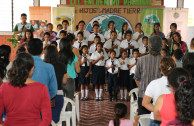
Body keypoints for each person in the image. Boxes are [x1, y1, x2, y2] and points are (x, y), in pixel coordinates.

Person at [0, 53, 52, 126]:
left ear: (14, 68)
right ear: (32, 69)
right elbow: (47, 119)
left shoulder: (4, 87)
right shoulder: (41, 88)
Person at [142, 57, 176, 126]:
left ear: (161, 70)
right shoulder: (179, 83)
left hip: (156, 119)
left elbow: (145, 103)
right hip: (173, 119)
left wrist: (158, 111)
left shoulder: (154, 83)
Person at [134, 36, 162, 115]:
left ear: (149, 47)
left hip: (143, 96)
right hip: (160, 97)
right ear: (161, 47)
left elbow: (136, 78)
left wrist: (143, 88)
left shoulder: (141, 60)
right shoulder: (165, 60)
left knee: (143, 120)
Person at [44, 45, 67, 123]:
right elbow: (64, 82)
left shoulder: (43, 66)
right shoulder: (62, 66)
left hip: (44, 95)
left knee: (43, 120)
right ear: (56, 54)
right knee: (55, 121)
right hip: (58, 94)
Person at [59, 38, 80, 110]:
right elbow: (78, 70)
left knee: (60, 100)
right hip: (70, 80)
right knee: (69, 100)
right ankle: (70, 120)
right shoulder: (73, 56)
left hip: (60, 80)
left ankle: (61, 120)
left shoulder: (57, 55)